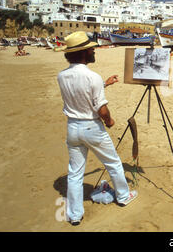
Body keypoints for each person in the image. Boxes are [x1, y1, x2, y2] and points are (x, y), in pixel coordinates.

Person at [57, 31, 137, 226]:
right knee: (113, 163)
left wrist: (104, 84)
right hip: (91, 127)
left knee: (75, 173)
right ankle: (124, 196)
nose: (94, 51)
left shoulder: (62, 76)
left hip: (72, 128)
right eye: (92, 49)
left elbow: (79, 90)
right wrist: (109, 121)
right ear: (84, 53)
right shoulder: (92, 77)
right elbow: (101, 109)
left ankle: (75, 215)